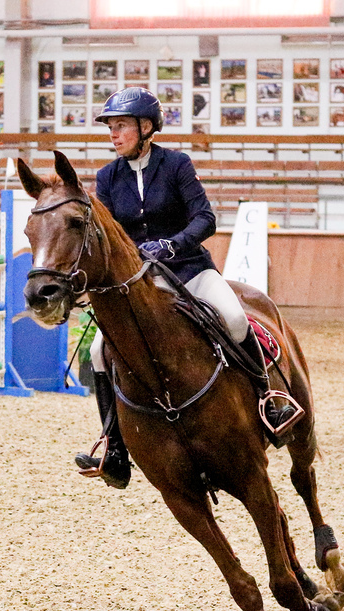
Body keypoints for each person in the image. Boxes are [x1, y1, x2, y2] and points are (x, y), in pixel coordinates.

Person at [75, 87, 302, 489]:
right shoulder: (108, 177)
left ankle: (269, 401)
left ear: (146, 127)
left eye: (122, 125)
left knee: (234, 318)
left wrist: (172, 244)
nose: (114, 133)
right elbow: (110, 234)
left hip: (189, 269)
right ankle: (114, 446)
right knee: (97, 352)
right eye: (111, 126)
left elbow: (205, 218)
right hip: (141, 281)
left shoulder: (176, 165)